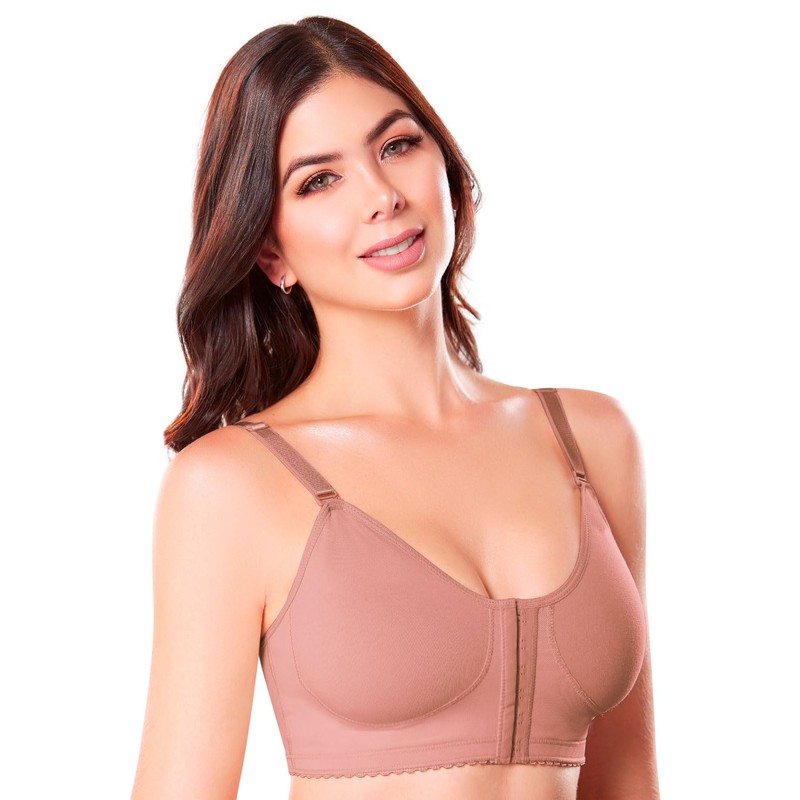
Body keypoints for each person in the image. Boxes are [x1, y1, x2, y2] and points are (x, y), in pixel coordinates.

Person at [131, 16, 659, 800]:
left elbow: (627, 779)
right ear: (269, 251)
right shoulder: (232, 484)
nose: (382, 196)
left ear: (444, 162)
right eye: (319, 180)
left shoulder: (590, 439)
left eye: (398, 145)